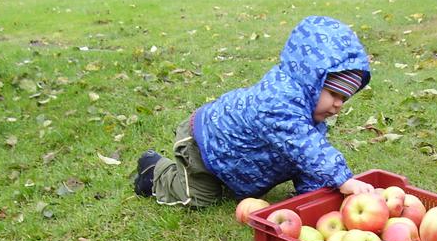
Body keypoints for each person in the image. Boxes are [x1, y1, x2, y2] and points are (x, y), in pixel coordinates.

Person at [133, 15, 374, 208]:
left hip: (234, 157)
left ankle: (228, 178)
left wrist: (313, 201)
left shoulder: (311, 117)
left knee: (296, 161)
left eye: (345, 98)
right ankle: (154, 170)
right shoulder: (277, 101)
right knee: (199, 197)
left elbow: (304, 163)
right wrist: (342, 179)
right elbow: (306, 148)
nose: (339, 104)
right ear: (311, 80)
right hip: (203, 145)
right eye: (333, 94)